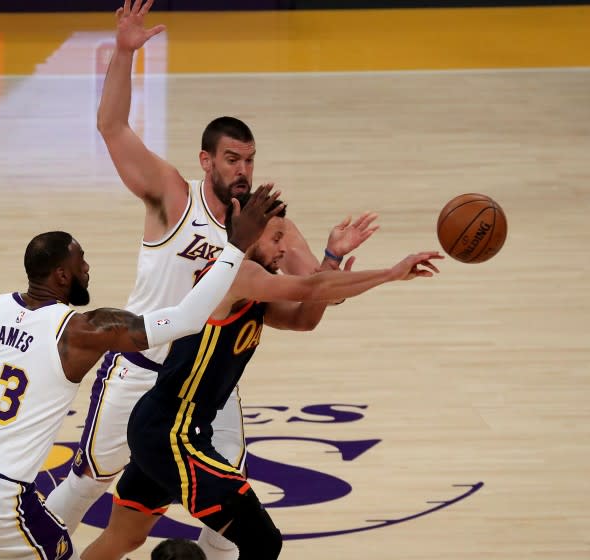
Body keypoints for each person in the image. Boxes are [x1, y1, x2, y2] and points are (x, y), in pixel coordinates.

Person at [44, 4, 379, 557]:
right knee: (85, 484)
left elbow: (313, 301)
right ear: (207, 161)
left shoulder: (275, 225)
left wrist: (331, 256)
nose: (242, 170)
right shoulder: (175, 197)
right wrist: (125, 51)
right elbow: (111, 127)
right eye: (231, 158)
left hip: (206, 390)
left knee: (229, 523)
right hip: (140, 371)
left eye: (249, 159)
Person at [0, 188, 281, 560]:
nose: (88, 268)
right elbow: (188, 317)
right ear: (61, 274)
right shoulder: (80, 330)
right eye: (82, 262)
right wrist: (235, 247)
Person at [80, 197, 443, 559]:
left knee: (123, 539)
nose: (283, 249)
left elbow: (304, 318)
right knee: (262, 541)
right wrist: (392, 273)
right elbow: (310, 289)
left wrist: (331, 257)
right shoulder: (238, 275)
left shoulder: (253, 288)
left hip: (163, 427)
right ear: (250, 236)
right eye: (276, 238)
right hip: (171, 433)